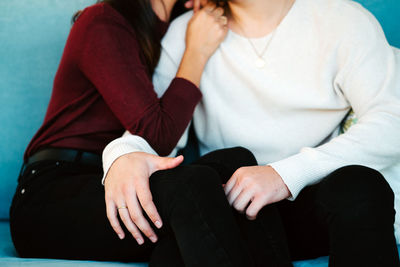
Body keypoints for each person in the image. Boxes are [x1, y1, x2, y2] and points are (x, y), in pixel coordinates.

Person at [103, 0, 400, 266]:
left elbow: (392, 120)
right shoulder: (190, 32)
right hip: (233, 210)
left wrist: (283, 175)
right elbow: (154, 134)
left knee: (362, 186)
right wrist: (120, 156)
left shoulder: (342, 20)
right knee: (179, 233)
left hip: (314, 203)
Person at [9, 0, 229, 263]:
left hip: (120, 181)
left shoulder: (179, 24)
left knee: (233, 165)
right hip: (52, 193)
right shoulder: (102, 21)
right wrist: (197, 52)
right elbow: (156, 135)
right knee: (194, 190)